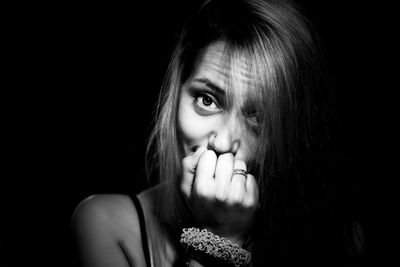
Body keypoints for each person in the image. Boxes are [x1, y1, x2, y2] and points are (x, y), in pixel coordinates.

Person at [71, 0, 365, 266]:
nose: (223, 143)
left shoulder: (338, 240)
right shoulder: (104, 225)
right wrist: (220, 238)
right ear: (177, 95)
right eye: (207, 100)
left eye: (258, 118)